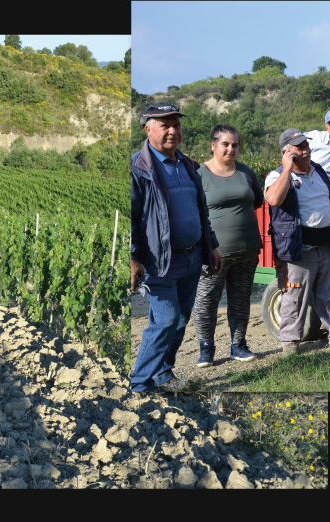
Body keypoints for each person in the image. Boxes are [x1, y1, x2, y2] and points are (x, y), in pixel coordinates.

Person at [130, 102, 223, 393]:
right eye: (164, 125)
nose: (172, 131)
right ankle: (139, 385)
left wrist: (212, 246)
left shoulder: (187, 165)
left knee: (181, 318)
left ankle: (163, 374)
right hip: (160, 260)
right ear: (148, 129)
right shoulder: (139, 168)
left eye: (176, 125)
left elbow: (200, 211)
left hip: (192, 257)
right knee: (166, 319)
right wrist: (133, 257)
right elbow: (133, 217)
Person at [264, 128, 330, 356]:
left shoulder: (319, 171)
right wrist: (287, 168)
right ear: (286, 152)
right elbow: (274, 199)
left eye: (306, 146)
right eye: (299, 148)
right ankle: (290, 343)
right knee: (294, 299)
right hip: (298, 250)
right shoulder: (277, 176)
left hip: (325, 246)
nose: (305, 151)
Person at [192, 124, 262, 367]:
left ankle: (238, 345)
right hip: (214, 253)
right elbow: (194, 212)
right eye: (225, 144)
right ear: (213, 145)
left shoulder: (246, 172)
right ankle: (206, 348)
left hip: (248, 249)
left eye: (235, 145)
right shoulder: (199, 174)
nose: (231, 149)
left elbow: (257, 201)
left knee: (241, 300)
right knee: (206, 301)